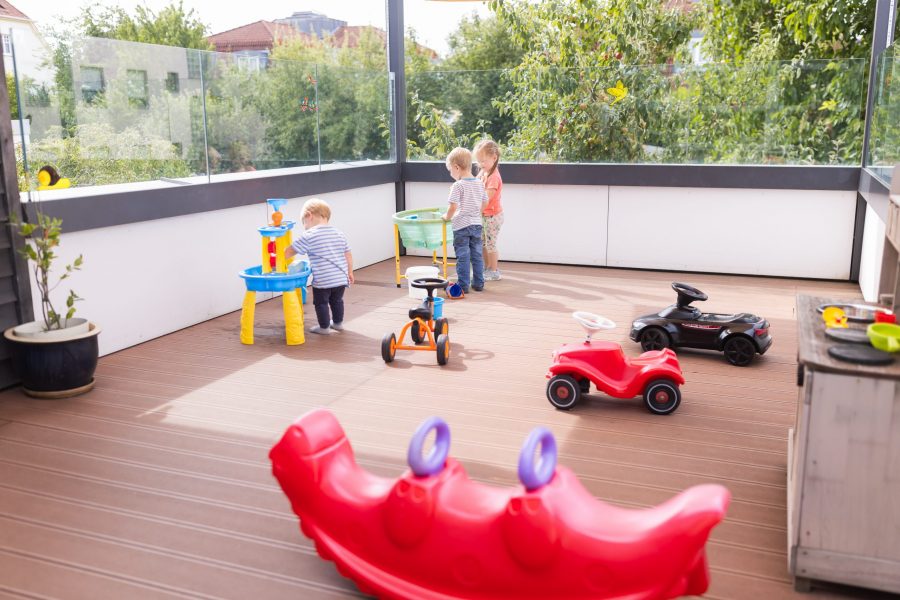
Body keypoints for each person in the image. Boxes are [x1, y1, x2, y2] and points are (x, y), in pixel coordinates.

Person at [285, 198, 354, 335]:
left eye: (304, 223)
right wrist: (350, 272)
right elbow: (348, 255)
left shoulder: (309, 235)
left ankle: (324, 327)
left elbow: (290, 251)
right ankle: (338, 323)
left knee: (321, 303)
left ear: (309, 216)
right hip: (340, 277)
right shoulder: (339, 233)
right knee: (337, 301)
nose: (305, 227)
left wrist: (278, 258)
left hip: (323, 279)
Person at [441, 147, 487, 293]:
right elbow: (485, 202)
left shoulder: (458, 185)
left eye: (450, 170)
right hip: (476, 224)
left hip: (461, 226)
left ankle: (463, 285)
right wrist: (476, 213)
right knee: (477, 255)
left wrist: (446, 217)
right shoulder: (479, 183)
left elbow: (453, 207)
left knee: (463, 256)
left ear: (456, 167)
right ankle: (479, 283)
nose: (450, 174)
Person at [474, 140, 504, 281]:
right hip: (485, 215)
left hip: (493, 216)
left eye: (483, 161)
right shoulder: (484, 172)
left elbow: (486, 198)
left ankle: (494, 270)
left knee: (491, 244)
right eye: (479, 161)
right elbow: (475, 184)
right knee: (483, 243)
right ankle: (487, 268)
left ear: (494, 157)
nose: (481, 164)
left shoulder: (494, 178)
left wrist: (476, 210)